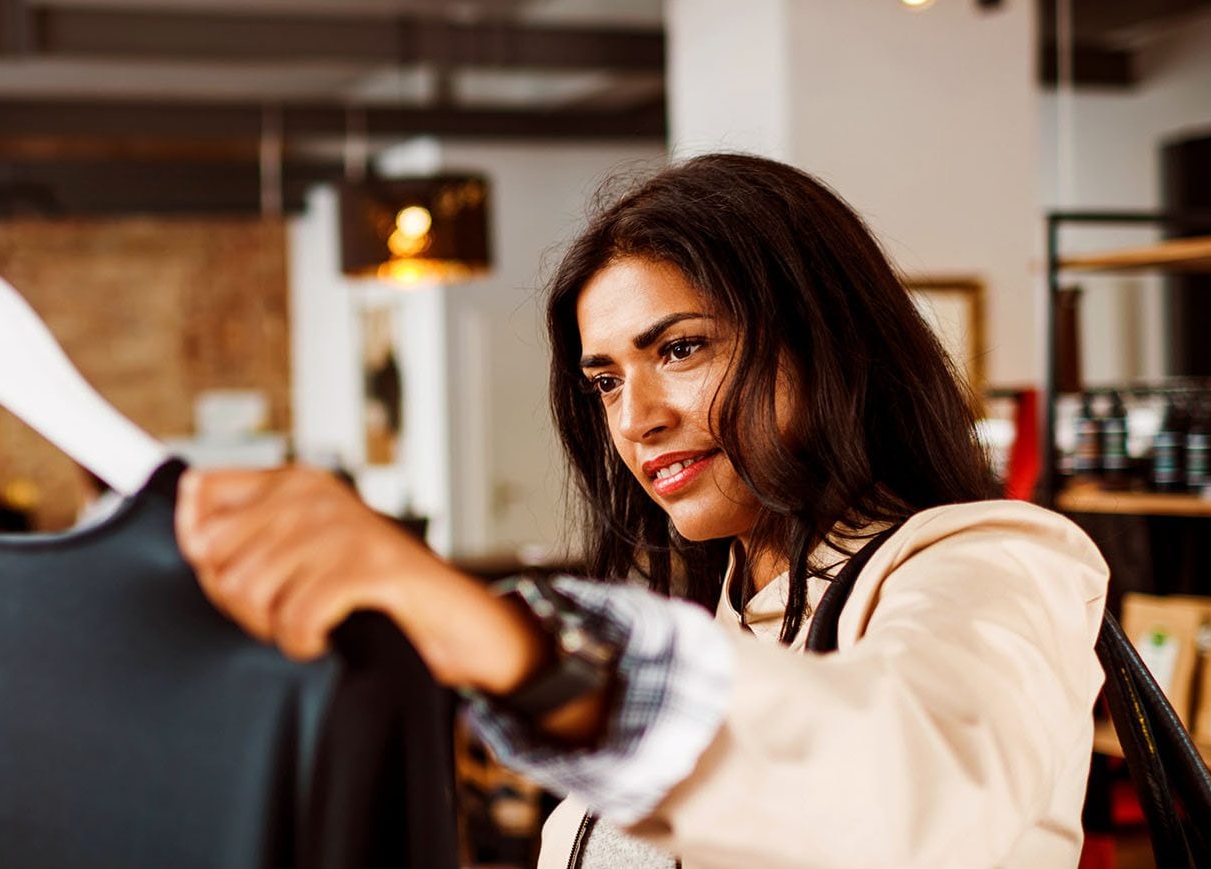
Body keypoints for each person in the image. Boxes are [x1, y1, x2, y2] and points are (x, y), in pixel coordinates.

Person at [175, 153, 1109, 868]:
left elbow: (907, 789)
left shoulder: (994, 564)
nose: (637, 418)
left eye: (683, 350)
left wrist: (516, 644)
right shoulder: (724, 612)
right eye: (606, 379)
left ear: (826, 344)